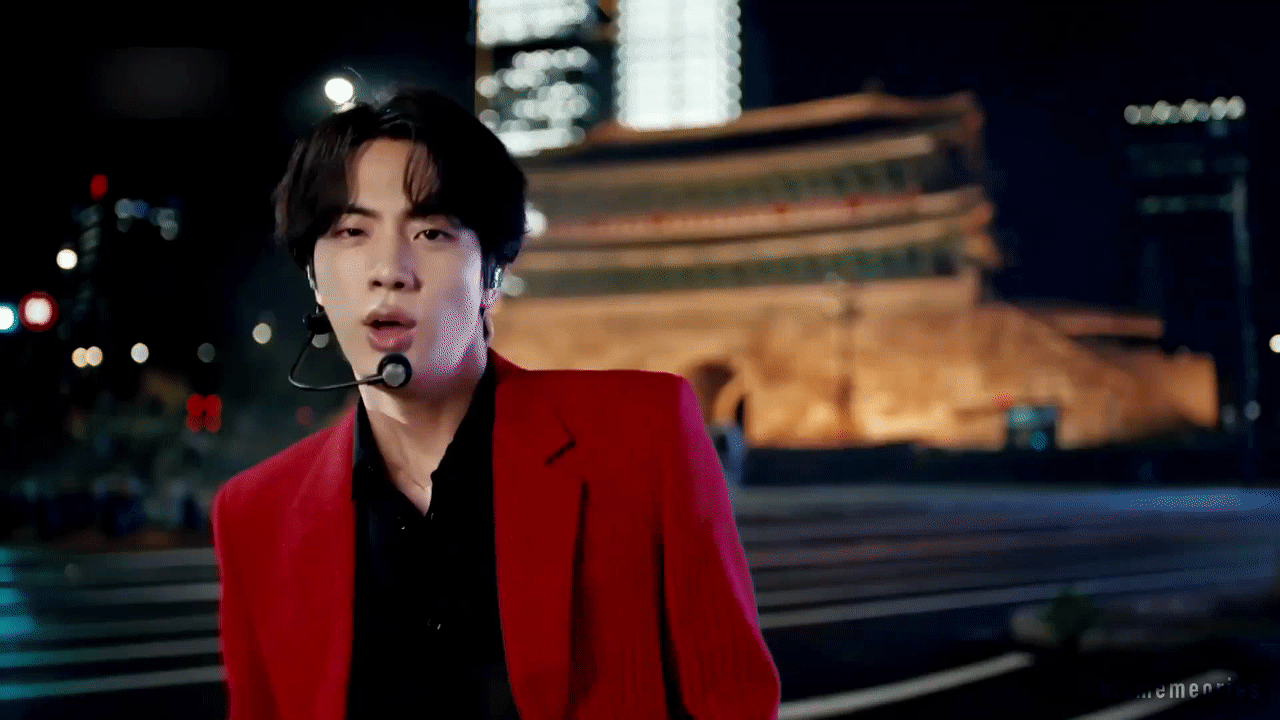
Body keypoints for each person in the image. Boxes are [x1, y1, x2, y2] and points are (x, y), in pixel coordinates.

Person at [211, 87, 780, 720]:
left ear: (492, 275)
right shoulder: (254, 515)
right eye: (351, 231)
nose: (389, 269)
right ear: (315, 278)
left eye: (431, 231)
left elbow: (734, 702)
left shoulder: (645, 435)